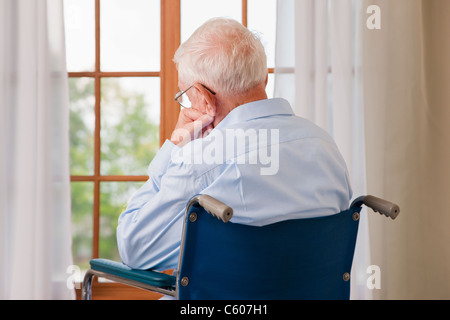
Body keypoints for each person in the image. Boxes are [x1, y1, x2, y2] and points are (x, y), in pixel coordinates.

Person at [116, 18, 352, 271]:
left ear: (204, 97)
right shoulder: (325, 145)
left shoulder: (201, 161)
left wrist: (176, 148)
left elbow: (135, 249)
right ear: (264, 79)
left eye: (186, 95)